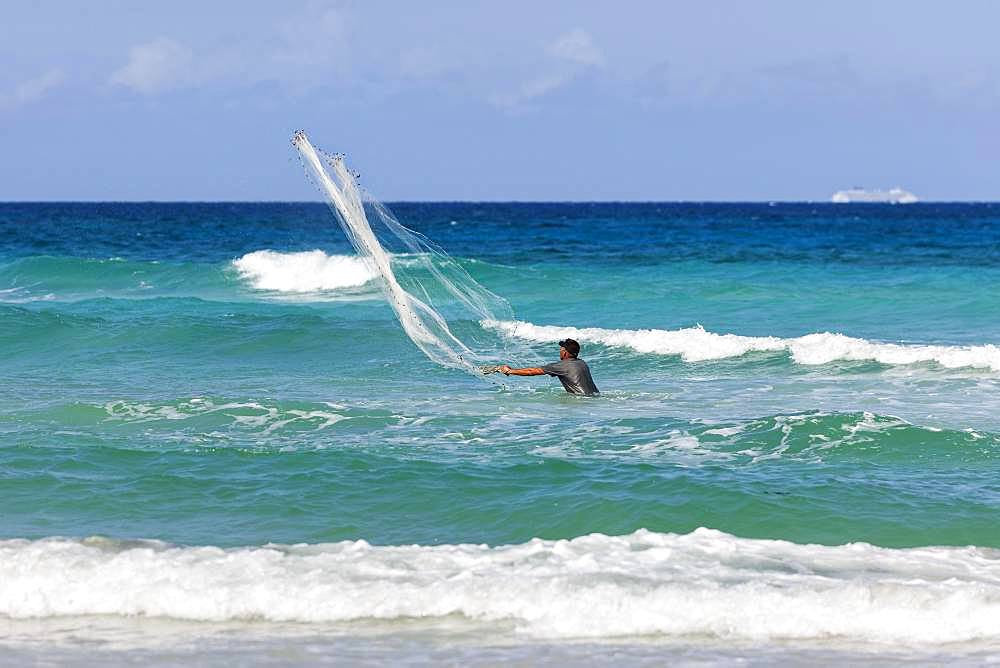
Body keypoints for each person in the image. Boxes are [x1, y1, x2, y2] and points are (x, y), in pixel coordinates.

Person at [499, 338, 599, 396]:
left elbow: (531, 371)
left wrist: (509, 371)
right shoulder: (582, 363)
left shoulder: (561, 366)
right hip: (595, 397)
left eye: (561, 349)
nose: (560, 351)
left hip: (581, 401)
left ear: (564, 353)